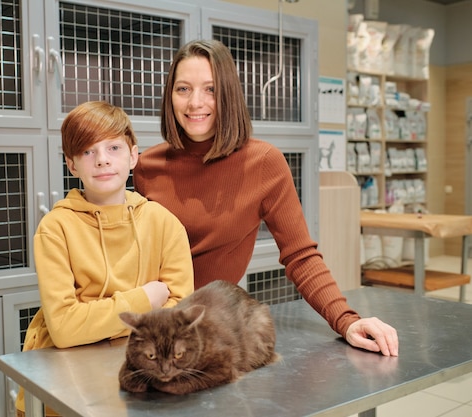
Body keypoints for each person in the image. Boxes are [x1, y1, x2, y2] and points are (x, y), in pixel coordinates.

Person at [133, 39, 399, 357]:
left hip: (206, 331)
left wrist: (346, 320)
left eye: (211, 89)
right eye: (183, 89)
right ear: (170, 96)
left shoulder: (262, 163)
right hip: (143, 326)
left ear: (229, 94)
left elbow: (300, 255)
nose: (195, 103)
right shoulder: (146, 166)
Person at [16, 101, 194, 416]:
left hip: (144, 375)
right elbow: (64, 328)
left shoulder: (165, 223)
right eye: (88, 151)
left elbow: (177, 323)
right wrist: (145, 298)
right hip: (65, 375)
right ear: (71, 165)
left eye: (113, 147)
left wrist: (94, 320)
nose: (102, 160)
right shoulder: (55, 228)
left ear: (133, 156)